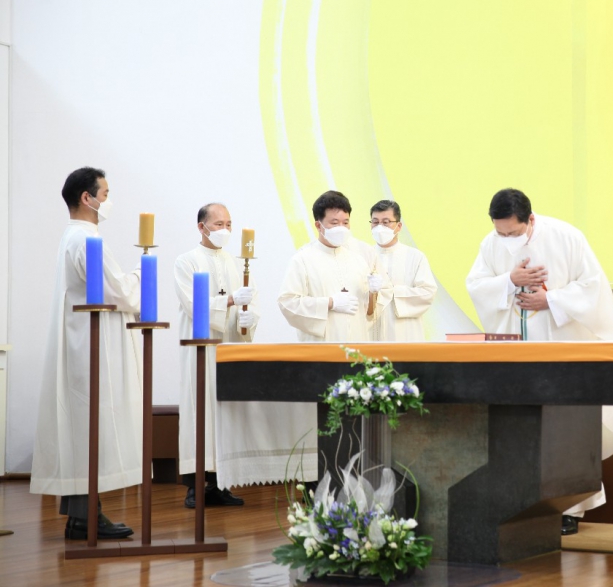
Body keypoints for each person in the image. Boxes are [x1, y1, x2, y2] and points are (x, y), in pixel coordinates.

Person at [465, 188, 613, 534]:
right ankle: (520, 506)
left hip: (563, 353)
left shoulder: (567, 237)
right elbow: (476, 285)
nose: (506, 240)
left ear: (531, 219)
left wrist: (550, 300)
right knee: (519, 429)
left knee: (565, 431)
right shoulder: (491, 244)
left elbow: (594, 287)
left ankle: (568, 509)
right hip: (516, 357)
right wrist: (510, 281)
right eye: (500, 232)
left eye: (513, 232)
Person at [175, 203, 317, 506]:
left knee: (225, 414)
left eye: (229, 224)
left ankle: (221, 483)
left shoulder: (237, 264)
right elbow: (192, 304)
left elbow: (251, 301)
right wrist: (228, 302)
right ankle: (196, 486)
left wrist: (248, 319)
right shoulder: (186, 262)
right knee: (200, 411)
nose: (225, 230)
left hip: (228, 347)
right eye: (218, 225)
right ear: (201, 227)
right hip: (200, 348)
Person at [30, 167, 141, 540]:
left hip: (84, 343)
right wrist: (142, 275)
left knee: (84, 430)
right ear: (86, 197)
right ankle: (84, 517)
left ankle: (82, 515)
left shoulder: (75, 236)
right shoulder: (85, 239)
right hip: (90, 347)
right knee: (90, 430)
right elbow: (118, 292)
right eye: (105, 194)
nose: (108, 201)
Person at [278, 190, 381, 343]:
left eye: (345, 223)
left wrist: (373, 293)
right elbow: (288, 303)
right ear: (318, 225)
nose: (341, 228)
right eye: (334, 223)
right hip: (322, 348)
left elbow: (368, 312)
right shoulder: (303, 260)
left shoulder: (358, 261)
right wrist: (330, 303)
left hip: (357, 345)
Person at [367, 200, 437, 342]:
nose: (380, 227)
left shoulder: (415, 257)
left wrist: (391, 292)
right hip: (371, 334)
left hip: (405, 334)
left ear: (398, 226)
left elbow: (428, 292)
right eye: (375, 222)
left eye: (386, 222)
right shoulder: (364, 256)